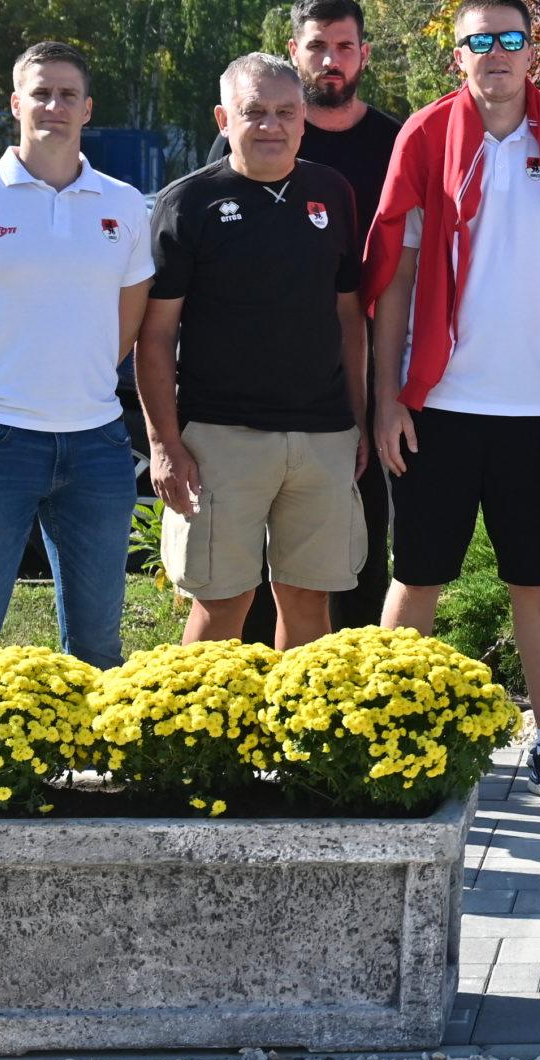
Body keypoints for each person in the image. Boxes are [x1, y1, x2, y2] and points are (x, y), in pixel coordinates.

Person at [363, 0, 540, 811]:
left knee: (538, 580)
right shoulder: (424, 135)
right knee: (418, 577)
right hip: (438, 403)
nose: (496, 53)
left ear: (534, 49)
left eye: (510, 38)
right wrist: (386, 400)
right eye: (479, 41)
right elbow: (395, 282)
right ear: (458, 56)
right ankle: (383, 735)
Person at [0, 41, 154, 667]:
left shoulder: (124, 204)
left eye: (68, 94)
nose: (54, 106)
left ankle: (95, 765)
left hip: (96, 448)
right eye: (41, 92)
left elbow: (126, 327)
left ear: (88, 109)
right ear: (15, 104)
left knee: (98, 645)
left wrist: (77, 382)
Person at [138, 54, 369, 649]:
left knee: (310, 603)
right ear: (223, 118)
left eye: (285, 112)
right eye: (254, 112)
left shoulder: (332, 192)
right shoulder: (186, 204)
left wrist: (359, 422)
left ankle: (296, 739)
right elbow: (155, 336)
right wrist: (165, 445)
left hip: (322, 434)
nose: (272, 125)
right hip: (220, 437)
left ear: (303, 119)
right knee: (221, 604)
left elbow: (350, 317)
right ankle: (197, 741)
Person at [207, 0, 405, 637]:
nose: (331, 59)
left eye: (344, 46)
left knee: (357, 549)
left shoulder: (395, 143)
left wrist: (377, 394)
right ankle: (247, 701)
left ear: (364, 54)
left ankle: (346, 696)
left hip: (360, 379)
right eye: (317, 46)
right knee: (247, 571)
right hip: (252, 393)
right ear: (295, 51)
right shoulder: (249, 141)